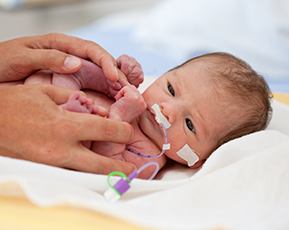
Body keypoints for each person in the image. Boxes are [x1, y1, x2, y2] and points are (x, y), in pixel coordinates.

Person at [0, 0, 138, 175]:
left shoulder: (151, 153)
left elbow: (111, 161)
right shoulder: (135, 100)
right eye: (170, 88)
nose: (165, 109)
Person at [25, 52, 272, 179]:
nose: (167, 109)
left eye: (190, 124)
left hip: (40, 120)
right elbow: (96, 73)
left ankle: (69, 109)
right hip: (22, 87)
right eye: (171, 89)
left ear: (196, 160)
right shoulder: (134, 95)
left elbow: (108, 170)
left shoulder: (149, 159)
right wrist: (117, 74)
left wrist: (119, 118)